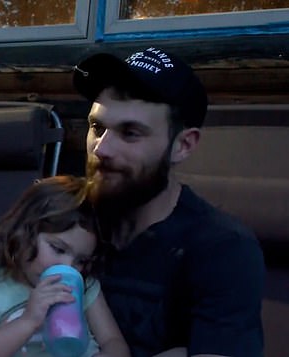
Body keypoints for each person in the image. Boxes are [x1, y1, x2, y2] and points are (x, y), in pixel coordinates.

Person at [70, 47, 265, 356]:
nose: (101, 149)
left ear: (183, 145)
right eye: (97, 128)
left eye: (130, 133)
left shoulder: (221, 248)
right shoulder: (61, 219)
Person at [0, 176, 130, 357]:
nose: (69, 266)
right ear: (22, 232)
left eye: (81, 261)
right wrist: (29, 320)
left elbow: (114, 342)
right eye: (58, 249)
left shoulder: (85, 286)